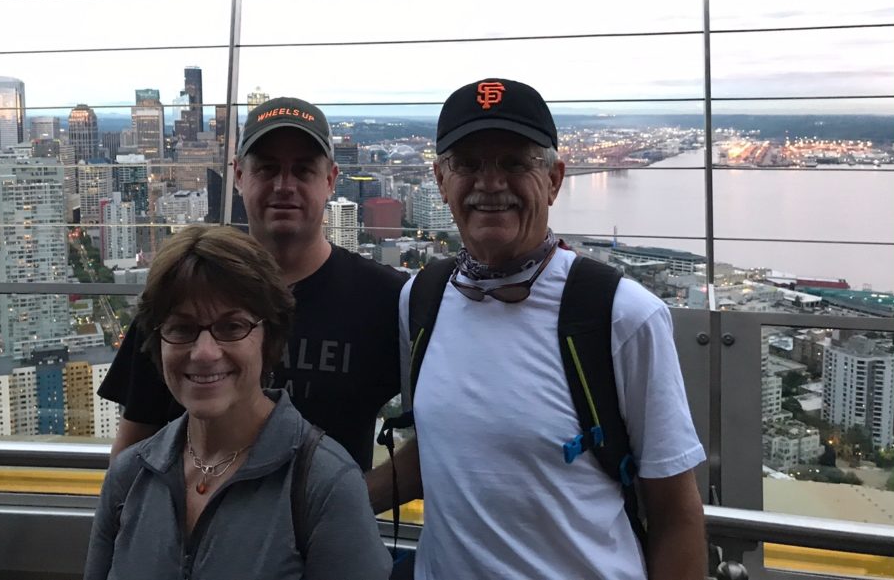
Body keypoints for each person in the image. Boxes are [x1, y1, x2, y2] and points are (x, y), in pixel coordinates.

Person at [370, 79, 707, 579]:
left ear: (553, 179)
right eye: (468, 164)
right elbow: (443, 453)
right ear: (441, 181)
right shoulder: (421, 300)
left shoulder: (621, 315)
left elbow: (675, 512)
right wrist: (318, 504)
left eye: (514, 162)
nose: (489, 183)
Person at [98, 97, 406, 471]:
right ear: (239, 176)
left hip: (323, 531)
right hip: (194, 526)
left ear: (330, 180)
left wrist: (350, 504)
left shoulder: (385, 300)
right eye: (267, 169)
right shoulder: (185, 287)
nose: (283, 185)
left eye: (303, 170)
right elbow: (133, 446)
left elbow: (441, 434)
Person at [84, 225, 391, 580]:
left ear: (269, 338)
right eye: (182, 329)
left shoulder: (324, 487)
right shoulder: (129, 477)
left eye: (232, 327)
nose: (204, 353)